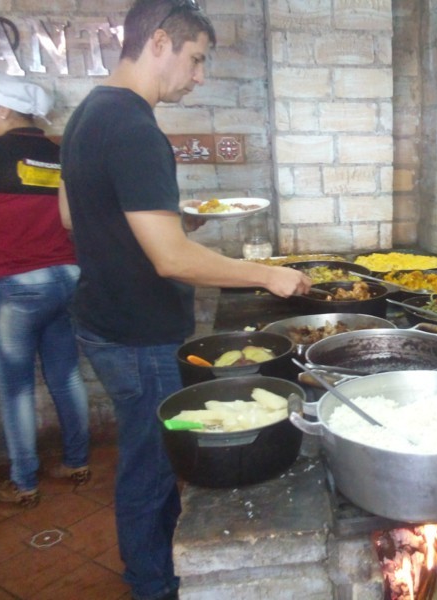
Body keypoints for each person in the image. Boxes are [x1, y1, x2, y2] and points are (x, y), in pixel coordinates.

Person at [57, 1, 311, 599]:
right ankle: (153, 585)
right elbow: (169, 261)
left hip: (105, 322)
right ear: (161, 41)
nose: (199, 76)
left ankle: (158, 568)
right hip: (140, 332)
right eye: (196, 59)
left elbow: (73, 216)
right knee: (148, 468)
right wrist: (264, 275)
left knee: (149, 455)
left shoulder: (87, 113)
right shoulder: (134, 127)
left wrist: (169, 225)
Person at [0, 71, 90, 508]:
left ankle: (24, 481)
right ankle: (76, 461)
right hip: (66, 276)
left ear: (4, 110)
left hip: (18, 282)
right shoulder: (58, 153)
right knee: (65, 375)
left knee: (16, 387)